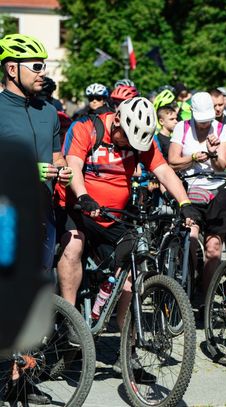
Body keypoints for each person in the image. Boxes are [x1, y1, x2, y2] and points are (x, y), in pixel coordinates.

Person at [55, 97, 198, 347]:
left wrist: (185, 203)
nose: (129, 145)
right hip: (77, 209)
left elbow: (164, 171)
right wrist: (84, 196)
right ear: (117, 120)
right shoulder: (87, 128)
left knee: (132, 270)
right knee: (73, 246)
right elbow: (74, 165)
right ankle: (71, 320)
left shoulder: (140, 139)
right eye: (126, 138)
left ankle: (128, 345)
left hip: (113, 216)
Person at [0, 33, 72, 405]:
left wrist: (63, 170)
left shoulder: (48, 112)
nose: (43, 72)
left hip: (43, 213)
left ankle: (21, 381)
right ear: (12, 69)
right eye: (37, 66)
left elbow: (57, 155)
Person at [168, 92, 226, 295]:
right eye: (200, 120)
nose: (204, 124)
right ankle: (187, 286)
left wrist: (212, 153)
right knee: (191, 239)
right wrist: (193, 158)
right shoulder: (182, 128)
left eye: (207, 120)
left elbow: (222, 165)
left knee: (213, 249)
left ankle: (207, 298)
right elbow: (172, 162)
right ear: (192, 113)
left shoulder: (223, 129)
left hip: (217, 191)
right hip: (190, 190)